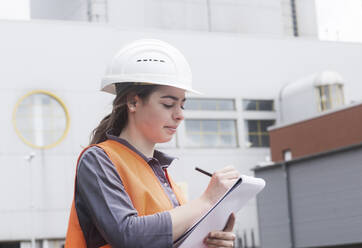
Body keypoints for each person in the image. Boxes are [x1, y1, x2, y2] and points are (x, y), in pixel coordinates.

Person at [65, 39, 240, 248]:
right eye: (168, 104)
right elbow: (128, 235)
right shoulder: (98, 160)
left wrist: (207, 242)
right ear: (133, 102)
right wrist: (206, 201)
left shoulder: (163, 178)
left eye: (182, 105)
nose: (179, 115)